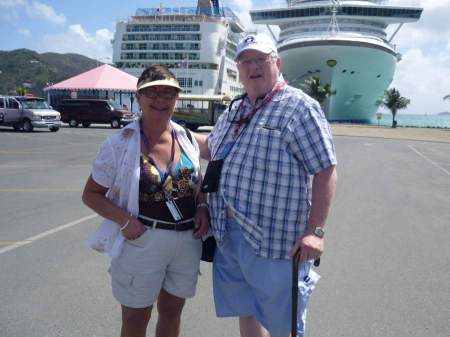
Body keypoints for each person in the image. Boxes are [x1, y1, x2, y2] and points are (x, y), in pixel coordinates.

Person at [194, 34, 337, 337]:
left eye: (260, 59)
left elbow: (326, 169)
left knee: (283, 322)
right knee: (245, 309)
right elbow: (211, 150)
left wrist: (315, 231)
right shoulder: (236, 109)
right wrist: (170, 130)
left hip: (275, 240)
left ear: (277, 63)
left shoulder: (300, 107)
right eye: (245, 61)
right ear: (239, 68)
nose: (253, 67)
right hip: (228, 234)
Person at [82, 64, 209, 337]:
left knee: (172, 314)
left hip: (186, 240)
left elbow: (199, 182)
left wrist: (202, 206)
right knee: (136, 320)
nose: (160, 100)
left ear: (177, 99)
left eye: (168, 93)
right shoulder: (120, 143)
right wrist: (125, 220)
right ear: (139, 97)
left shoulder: (187, 137)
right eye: (152, 92)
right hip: (142, 239)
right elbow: (90, 194)